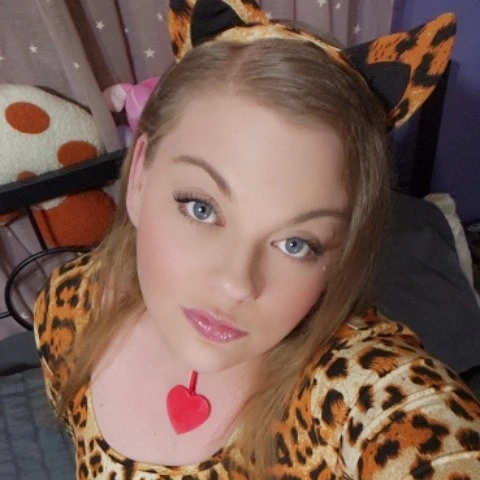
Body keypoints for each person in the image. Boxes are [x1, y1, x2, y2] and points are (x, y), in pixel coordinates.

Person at [33, 1, 480, 478]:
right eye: (201, 208)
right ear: (140, 176)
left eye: (296, 243)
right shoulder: (70, 307)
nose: (236, 284)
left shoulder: (355, 388)